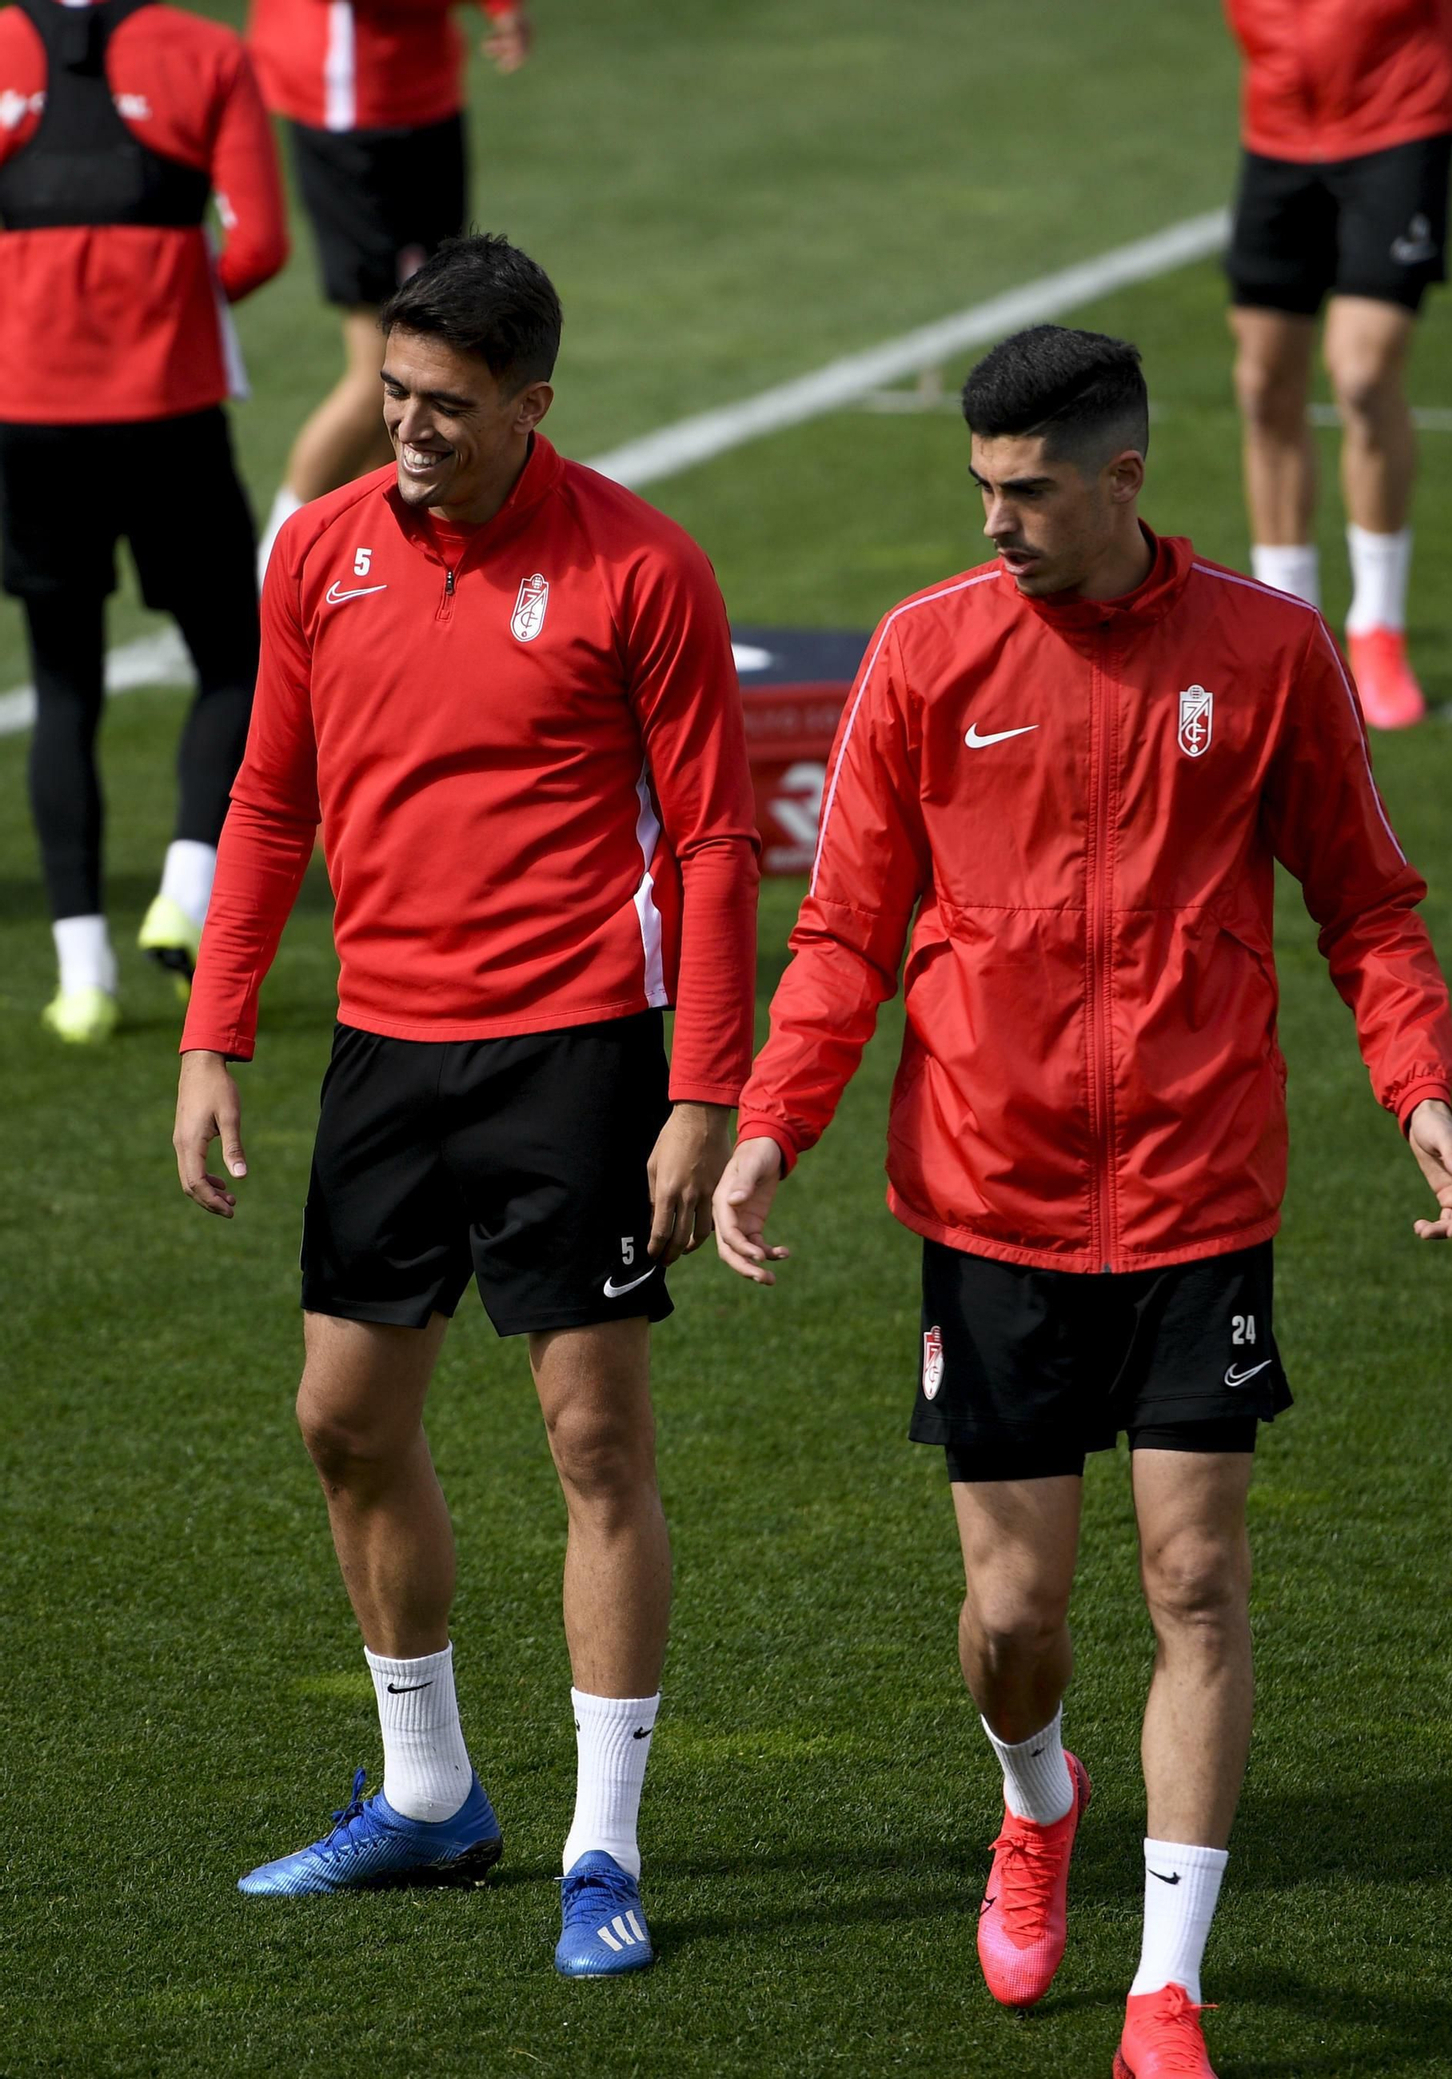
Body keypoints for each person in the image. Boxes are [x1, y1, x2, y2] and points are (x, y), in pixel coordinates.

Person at [712, 326, 1452, 2075]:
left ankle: (1165, 1989)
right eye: (979, 486)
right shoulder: (923, 652)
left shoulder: (1271, 654)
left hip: (1206, 1186)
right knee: (1018, 1617)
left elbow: (1367, 903)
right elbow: (841, 928)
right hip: (989, 1198)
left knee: (1197, 1577)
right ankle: (1036, 1796)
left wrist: (1419, 1087)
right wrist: (776, 1122)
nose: (996, 519)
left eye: (1028, 489)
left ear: (1122, 480)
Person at [172, 234, 760, 1975]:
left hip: (578, 1056)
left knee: (594, 1442)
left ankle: (602, 1843)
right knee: (344, 1419)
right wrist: (216, 1036)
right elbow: (271, 796)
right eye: (395, 394)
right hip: (383, 1047)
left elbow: (720, 838)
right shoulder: (329, 552)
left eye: (444, 404)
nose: (406, 427)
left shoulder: (642, 566)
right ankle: (429, 1791)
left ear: (531, 405)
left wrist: (704, 1091)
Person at [0, 0, 287, 1043]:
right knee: (233, 660)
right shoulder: (206, 53)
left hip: (25, 419)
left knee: (62, 678)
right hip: (167, 413)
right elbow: (259, 244)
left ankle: (83, 974)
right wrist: (159, 301)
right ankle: (185, 890)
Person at [1223, 0, 1452, 729]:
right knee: (1261, 385)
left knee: (1363, 374)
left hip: (1399, 123)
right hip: (1278, 126)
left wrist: (1440, 65)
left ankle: (1377, 630)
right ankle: (1286, 633)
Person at [247, 0, 531, 580]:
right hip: (349, 104)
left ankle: (366, 555)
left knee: (422, 354)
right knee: (383, 364)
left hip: (423, 94)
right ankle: (271, 568)